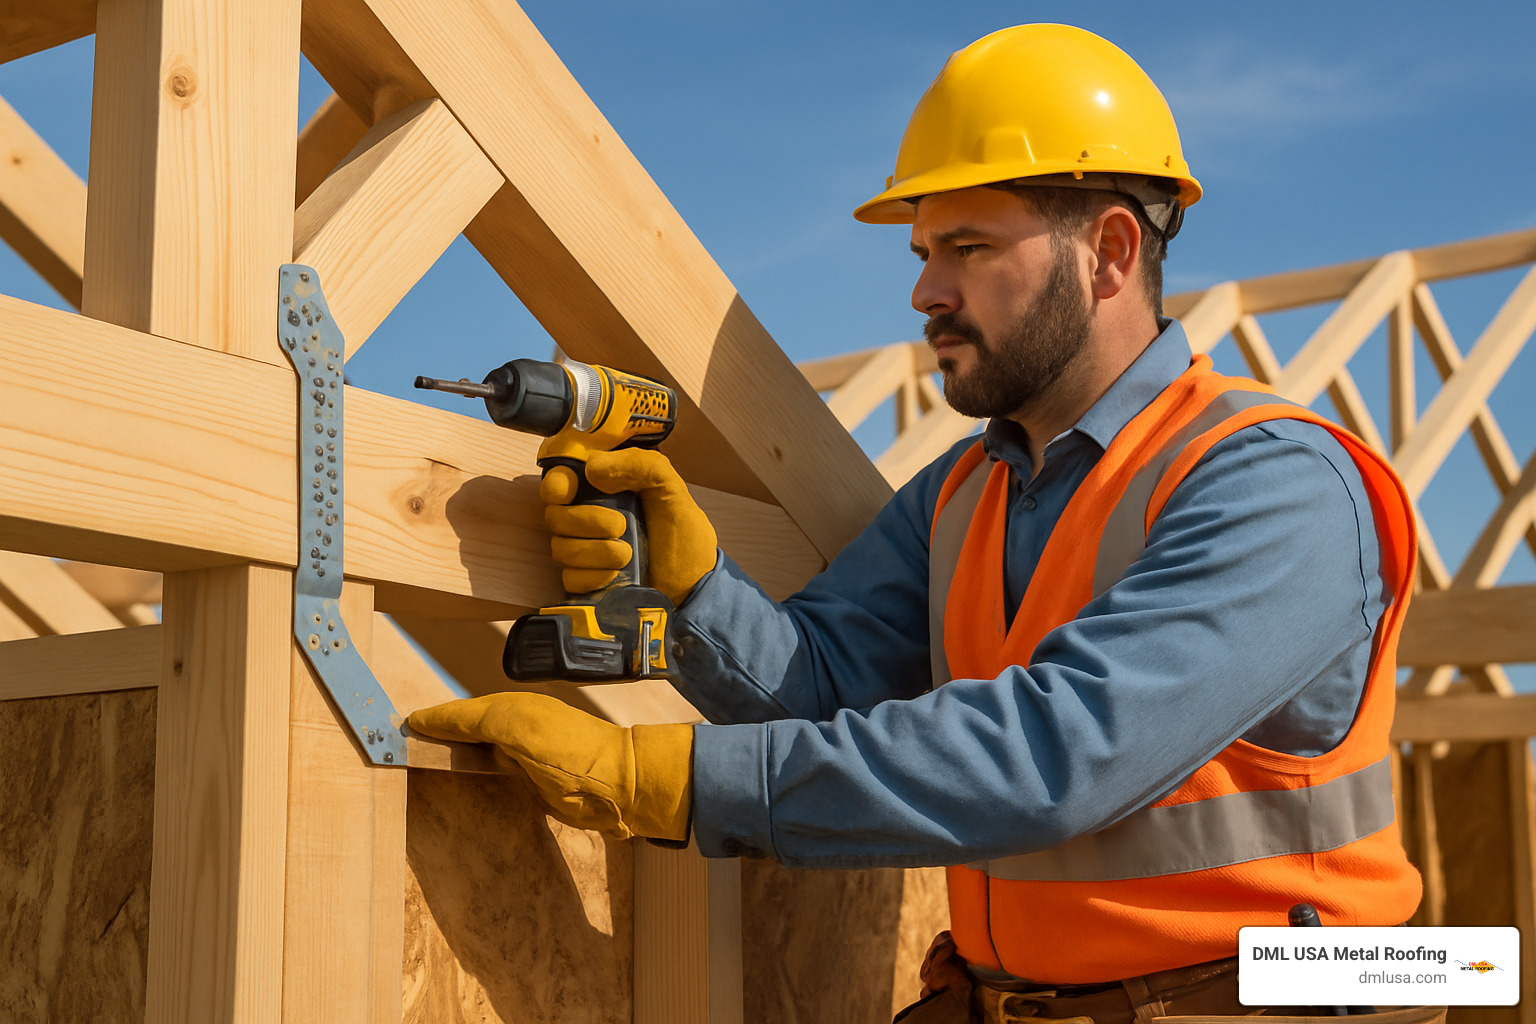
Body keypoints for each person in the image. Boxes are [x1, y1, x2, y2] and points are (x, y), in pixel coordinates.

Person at [410, 24, 1442, 1024]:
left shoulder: (1276, 485)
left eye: (968, 247)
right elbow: (817, 684)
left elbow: (1055, 755)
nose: (923, 290)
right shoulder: (964, 494)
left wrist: (666, 780)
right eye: (922, 251)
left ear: (1111, 252)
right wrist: (694, 599)